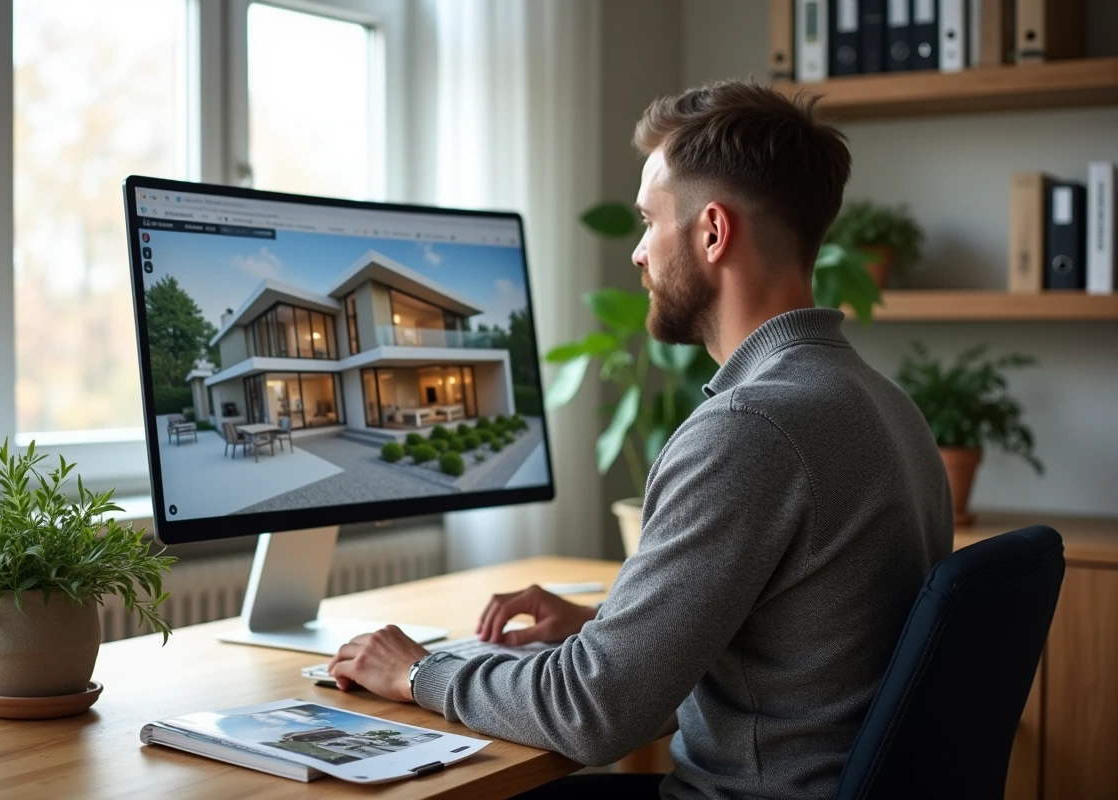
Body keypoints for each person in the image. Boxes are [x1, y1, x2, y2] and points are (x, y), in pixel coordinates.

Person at [327, 80, 954, 800]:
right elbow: (803, 638)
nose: (637, 254)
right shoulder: (881, 401)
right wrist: (607, 626)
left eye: (648, 221)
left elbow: (593, 712)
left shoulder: (751, 430)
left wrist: (416, 671)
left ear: (712, 232)